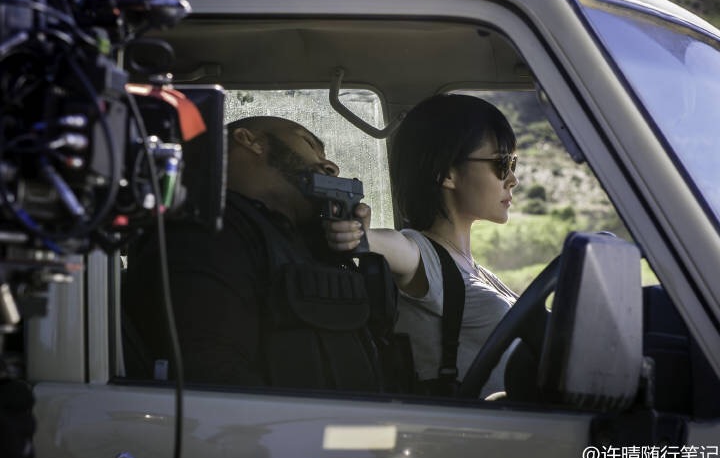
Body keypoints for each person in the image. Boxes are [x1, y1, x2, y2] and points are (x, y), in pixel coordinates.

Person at [124, 116, 382, 388]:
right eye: (309, 144)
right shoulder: (205, 233)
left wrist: (360, 240)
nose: (331, 166)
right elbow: (211, 378)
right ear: (250, 141)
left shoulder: (305, 240)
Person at [325, 94, 519, 395]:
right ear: (446, 174)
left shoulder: (472, 268)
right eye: (502, 163)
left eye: (513, 163)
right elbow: (397, 248)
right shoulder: (422, 255)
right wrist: (361, 236)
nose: (513, 179)